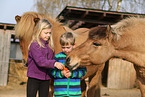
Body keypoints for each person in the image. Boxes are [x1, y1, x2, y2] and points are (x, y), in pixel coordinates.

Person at [27, 19, 64, 97]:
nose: (48, 35)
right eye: (46, 33)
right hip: (34, 78)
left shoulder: (50, 47)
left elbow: (52, 60)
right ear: (39, 31)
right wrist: (54, 63)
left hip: (46, 79)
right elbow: (40, 61)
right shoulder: (35, 45)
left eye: (49, 33)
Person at [51, 32, 87, 97]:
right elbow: (52, 72)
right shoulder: (57, 57)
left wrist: (72, 74)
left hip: (74, 93)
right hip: (60, 93)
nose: (65, 50)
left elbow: (83, 71)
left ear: (74, 45)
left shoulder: (77, 57)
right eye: (63, 47)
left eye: (68, 47)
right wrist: (61, 73)